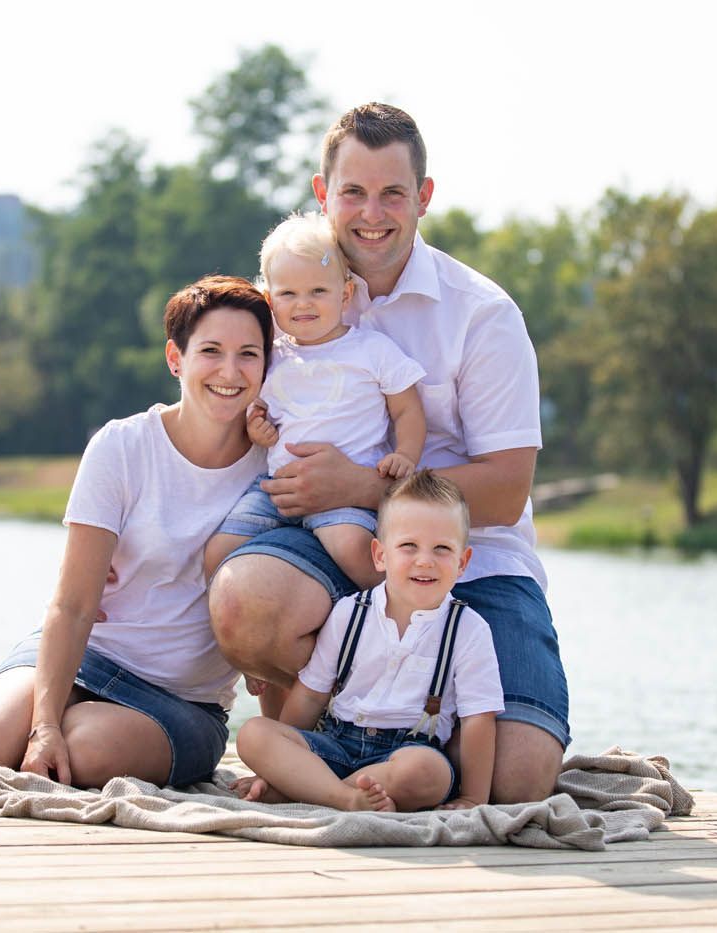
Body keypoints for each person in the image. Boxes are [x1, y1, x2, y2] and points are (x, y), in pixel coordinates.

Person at [209, 103, 571, 803]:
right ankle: (318, 747)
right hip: (333, 545)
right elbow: (221, 405)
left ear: (423, 198)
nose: (371, 213)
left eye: (392, 194)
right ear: (324, 194)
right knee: (246, 600)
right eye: (352, 192)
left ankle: (373, 760)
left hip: (475, 559)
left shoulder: (482, 316)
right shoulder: (290, 299)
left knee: (519, 781)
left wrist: (364, 487)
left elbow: (504, 491)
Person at [0, 275, 272, 789]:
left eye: (249, 354)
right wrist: (42, 725)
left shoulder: (276, 462)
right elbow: (71, 604)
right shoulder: (122, 448)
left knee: (84, 753)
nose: (230, 370)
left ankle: (29, 729)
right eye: (211, 351)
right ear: (175, 359)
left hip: (181, 703)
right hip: (87, 655)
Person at [234, 470, 501, 812]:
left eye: (442, 549)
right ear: (380, 555)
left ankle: (308, 789)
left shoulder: (468, 629)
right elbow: (311, 694)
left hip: (404, 755)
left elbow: (479, 719)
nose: (425, 560)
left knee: (428, 773)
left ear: (462, 562)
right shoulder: (350, 613)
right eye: (408, 546)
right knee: (254, 734)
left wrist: (473, 798)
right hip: (336, 745)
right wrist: (276, 762)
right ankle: (344, 797)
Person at [203, 211, 426, 591]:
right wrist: (258, 428)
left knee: (359, 553)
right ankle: (218, 644)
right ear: (271, 301)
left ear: (345, 293)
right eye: (289, 294)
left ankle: (388, 619)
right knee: (217, 552)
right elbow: (261, 413)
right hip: (276, 487)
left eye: (318, 292)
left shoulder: (371, 350)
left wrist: (405, 454)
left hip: (344, 495)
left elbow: (407, 409)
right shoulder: (272, 357)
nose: (303, 304)